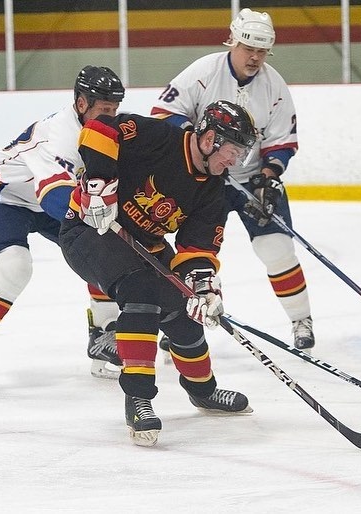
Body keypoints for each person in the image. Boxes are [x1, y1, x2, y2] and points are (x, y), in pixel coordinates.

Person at [59, 100, 257, 447]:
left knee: (184, 306)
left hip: (142, 245)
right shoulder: (159, 137)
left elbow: (197, 248)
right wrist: (100, 187)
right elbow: (99, 127)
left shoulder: (213, 189)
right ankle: (138, 398)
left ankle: (203, 391)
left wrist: (203, 288)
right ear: (209, 138)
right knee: (140, 292)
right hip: (88, 231)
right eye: (233, 151)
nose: (235, 161)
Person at [0, 66, 125, 396]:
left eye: (114, 109)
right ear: (82, 103)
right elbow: (55, 197)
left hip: (44, 198)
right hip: (5, 194)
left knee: (102, 250)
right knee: (14, 267)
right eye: (103, 109)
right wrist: (95, 216)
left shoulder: (105, 131)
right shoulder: (58, 135)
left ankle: (104, 336)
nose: (110, 116)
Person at [150, 8, 316, 351]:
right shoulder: (204, 71)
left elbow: (282, 141)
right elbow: (164, 113)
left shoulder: (275, 86)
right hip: (205, 181)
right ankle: (180, 326)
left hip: (252, 179)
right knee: (192, 256)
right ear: (233, 42)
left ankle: (301, 320)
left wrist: (269, 177)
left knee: (277, 249)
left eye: (262, 50)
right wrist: (193, 142)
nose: (254, 57)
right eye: (248, 48)